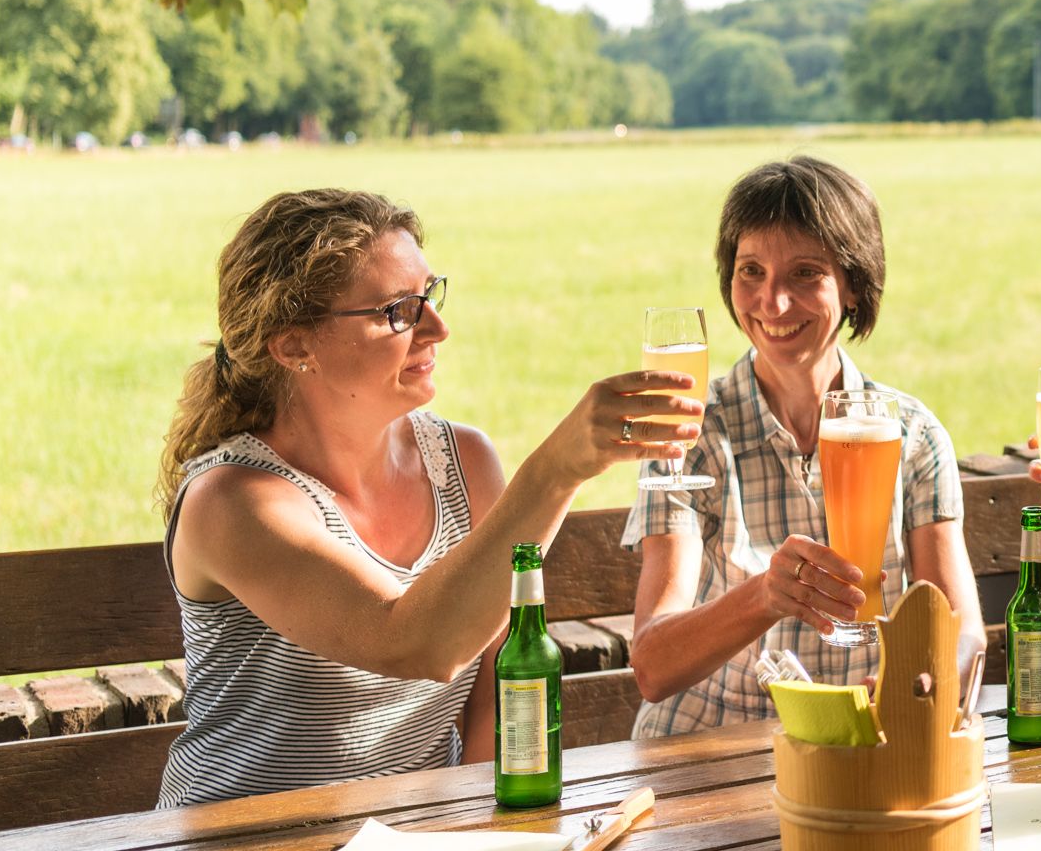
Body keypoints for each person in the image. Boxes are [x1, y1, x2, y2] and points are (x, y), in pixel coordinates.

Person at [158, 189, 688, 807]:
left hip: (411, 849)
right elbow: (415, 642)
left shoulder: (462, 464)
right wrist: (555, 472)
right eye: (397, 311)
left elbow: (501, 669)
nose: (438, 327)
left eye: (429, 297)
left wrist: (495, 829)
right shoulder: (233, 502)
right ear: (293, 345)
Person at [625, 156, 984, 733]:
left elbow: (960, 625)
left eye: (805, 273)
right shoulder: (691, 436)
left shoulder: (912, 433)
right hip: (710, 748)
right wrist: (766, 595)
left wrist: (928, 675)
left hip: (862, 742)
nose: (773, 303)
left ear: (853, 285)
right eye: (751, 271)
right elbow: (652, 665)